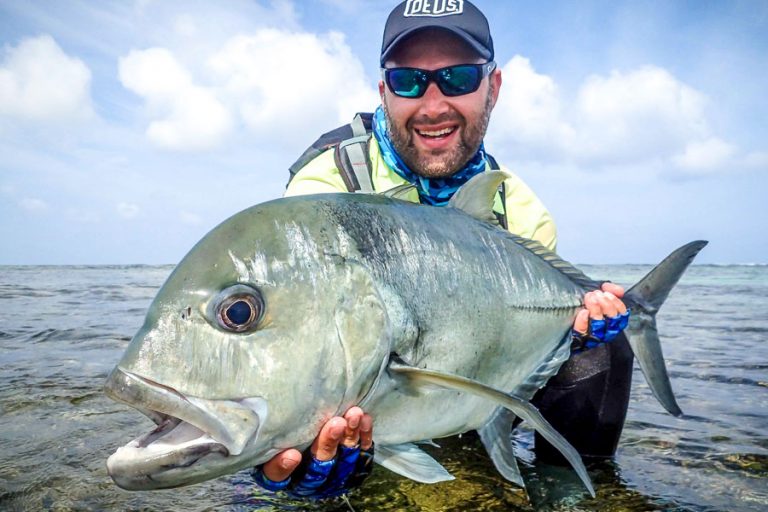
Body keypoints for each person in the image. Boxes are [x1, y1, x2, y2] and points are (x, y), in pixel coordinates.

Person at [251, 0, 631, 499]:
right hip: (371, 404)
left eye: (458, 78)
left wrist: (569, 334)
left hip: (473, 390)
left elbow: (531, 345)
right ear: (384, 92)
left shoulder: (517, 209)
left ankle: (571, 497)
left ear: (492, 88)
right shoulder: (327, 186)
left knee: (604, 351)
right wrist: (271, 448)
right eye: (410, 80)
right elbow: (288, 329)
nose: (433, 106)